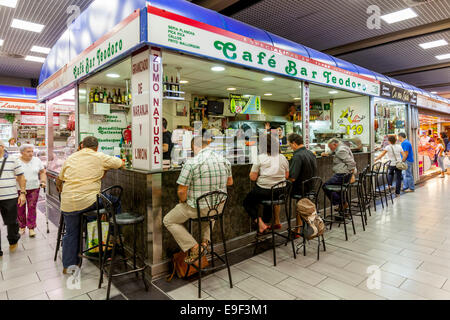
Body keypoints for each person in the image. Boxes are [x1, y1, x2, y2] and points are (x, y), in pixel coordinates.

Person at [56, 136, 124, 273]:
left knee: (71, 232)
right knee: (115, 202)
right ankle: (114, 235)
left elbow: (59, 180)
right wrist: (105, 168)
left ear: (82, 146)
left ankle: (68, 266)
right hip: (88, 201)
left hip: (68, 203)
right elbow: (120, 163)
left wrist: (65, 193)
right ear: (97, 147)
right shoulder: (99, 156)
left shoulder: (71, 158)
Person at [163, 136, 233, 264]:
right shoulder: (225, 161)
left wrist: (183, 201)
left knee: (168, 220)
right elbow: (230, 182)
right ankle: (205, 243)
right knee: (211, 210)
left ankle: (195, 247)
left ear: (195, 146)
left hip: (199, 209)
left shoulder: (191, 163)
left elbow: (181, 191)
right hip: (218, 208)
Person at [243, 133, 289, 234]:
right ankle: (266, 221)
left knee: (247, 202)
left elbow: (252, 177)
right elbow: (286, 176)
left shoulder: (260, 157)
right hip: (281, 192)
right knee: (269, 195)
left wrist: (264, 176)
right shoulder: (282, 157)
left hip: (265, 191)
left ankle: (260, 223)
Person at [0, 140, 26, 255]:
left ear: (2, 147)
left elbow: (21, 177)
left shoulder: (13, 159)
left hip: (9, 195)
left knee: (11, 221)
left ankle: (13, 239)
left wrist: (22, 193)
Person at [16, 144, 46, 237]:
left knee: (32, 207)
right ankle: (21, 226)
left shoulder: (37, 160)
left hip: (34, 188)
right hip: (19, 189)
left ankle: (31, 228)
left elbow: (42, 171)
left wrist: (43, 181)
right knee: (20, 208)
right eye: (28, 151)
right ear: (22, 152)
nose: (31, 153)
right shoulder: (16, 161)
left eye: (32, 151)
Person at [321, 138, 356, 208]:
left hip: (342, 175)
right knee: (339, 189)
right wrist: (328, 153)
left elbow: (352, 163)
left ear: (335, 144)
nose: (330, 148)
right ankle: (343, 205)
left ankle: (342, 203)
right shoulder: (342, 147)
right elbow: (336, 152)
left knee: (325, 186)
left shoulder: (341, 150)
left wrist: (351, 174)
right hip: (343, 174)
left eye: (330, 147)